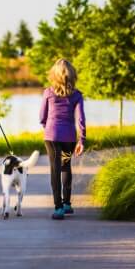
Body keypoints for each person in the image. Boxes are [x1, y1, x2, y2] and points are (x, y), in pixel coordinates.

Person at [39, 59, 86, 220]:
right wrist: (81, 140)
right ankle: (67, 203)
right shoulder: (77, 95)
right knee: (66, 166)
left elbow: (42, 117)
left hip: (51, 137)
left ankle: (58, 207)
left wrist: (48, 128)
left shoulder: (48, 92)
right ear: (72, 75)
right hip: (69, 138)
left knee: (55, 169)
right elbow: (81, 119)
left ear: (54, 75)